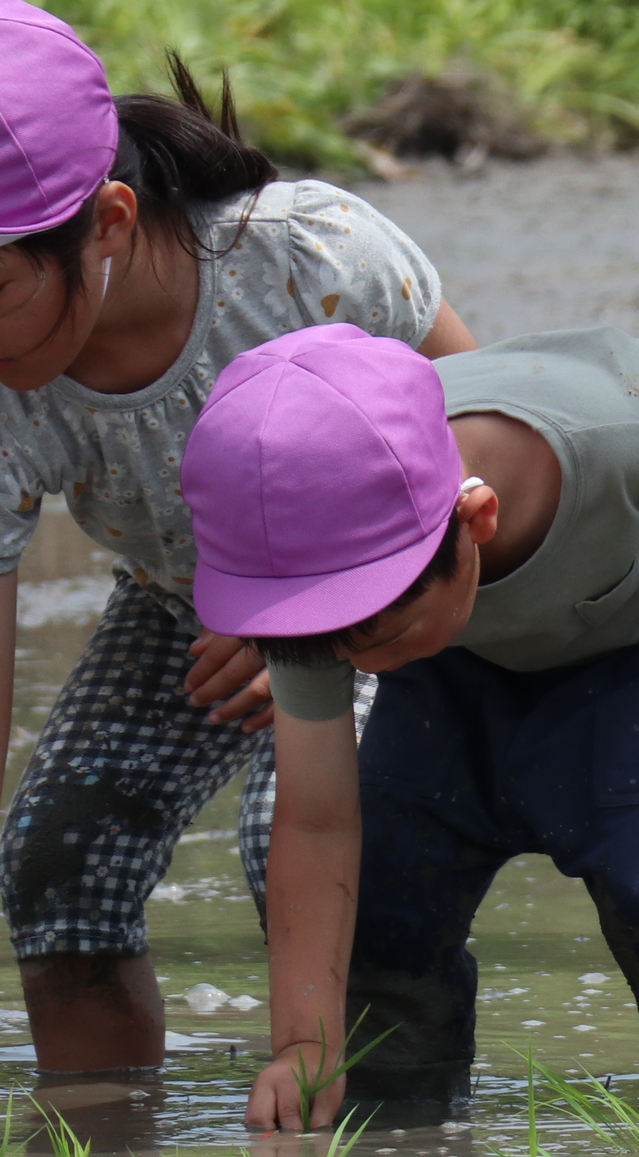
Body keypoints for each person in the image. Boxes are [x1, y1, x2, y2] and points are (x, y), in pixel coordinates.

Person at [177, 324, 639, 1131]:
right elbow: (317, 820)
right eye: (335, 650)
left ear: (473, 519)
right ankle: (395, 1110)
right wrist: (302, 1046)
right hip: (454, 655)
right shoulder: (336, 586)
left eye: (368, 646)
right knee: (386, 883)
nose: (358, 671)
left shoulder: (618, 430)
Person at [0, 3, 475, 1089]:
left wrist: (316, 623)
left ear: (109, 221)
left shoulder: (302, 256)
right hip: (183, 607)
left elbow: (479, 431)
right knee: (55, 860)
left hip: (386, 594)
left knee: (294, 838)